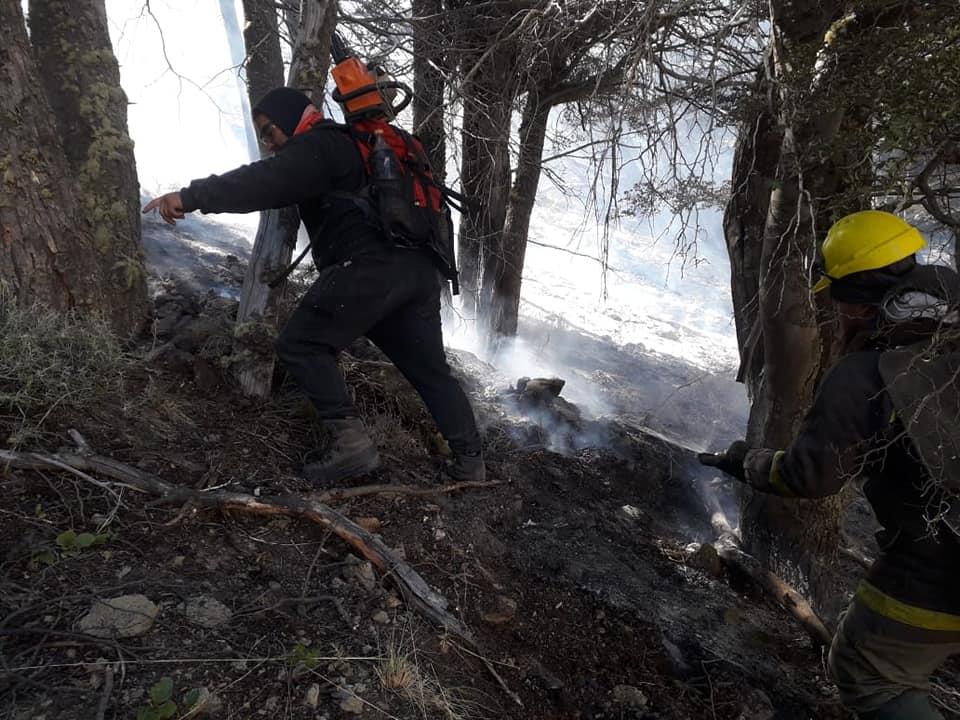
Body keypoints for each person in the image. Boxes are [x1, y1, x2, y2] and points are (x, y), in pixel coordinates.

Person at [143, 87, 484, 485]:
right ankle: (470, 462)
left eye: (270, 132)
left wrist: (191, 196)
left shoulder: (321, 144)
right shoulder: (362, 148)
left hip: (370, 268)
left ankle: (353, 447)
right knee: (429, 371)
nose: (269, 145)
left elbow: (263, 182)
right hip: (420, 271)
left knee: (300, 344)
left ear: (290, 118)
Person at [700, 210, 960, 719]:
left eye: (837, 296)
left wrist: (745, 463)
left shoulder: (864, 374)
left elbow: (810, 476)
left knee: (869, 675)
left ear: (858, 303)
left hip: (942, 556)